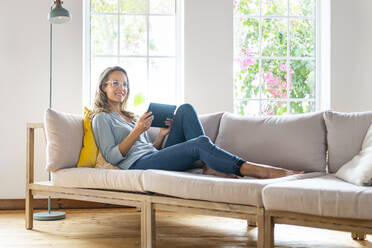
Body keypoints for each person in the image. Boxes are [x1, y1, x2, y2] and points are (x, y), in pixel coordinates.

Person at [91, 66, 303, 179]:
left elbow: (148, 149)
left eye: (125, 84)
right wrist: (137, 131)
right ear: (103, 87)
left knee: (185, 109)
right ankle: (259, 171)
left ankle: (209, 164)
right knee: (200, 143)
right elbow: (113, 156)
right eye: (115, 83)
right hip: (137, 166)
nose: (122, 88)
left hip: (153, 156)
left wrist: (163, 135)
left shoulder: (130, 115)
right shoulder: (101, 118)